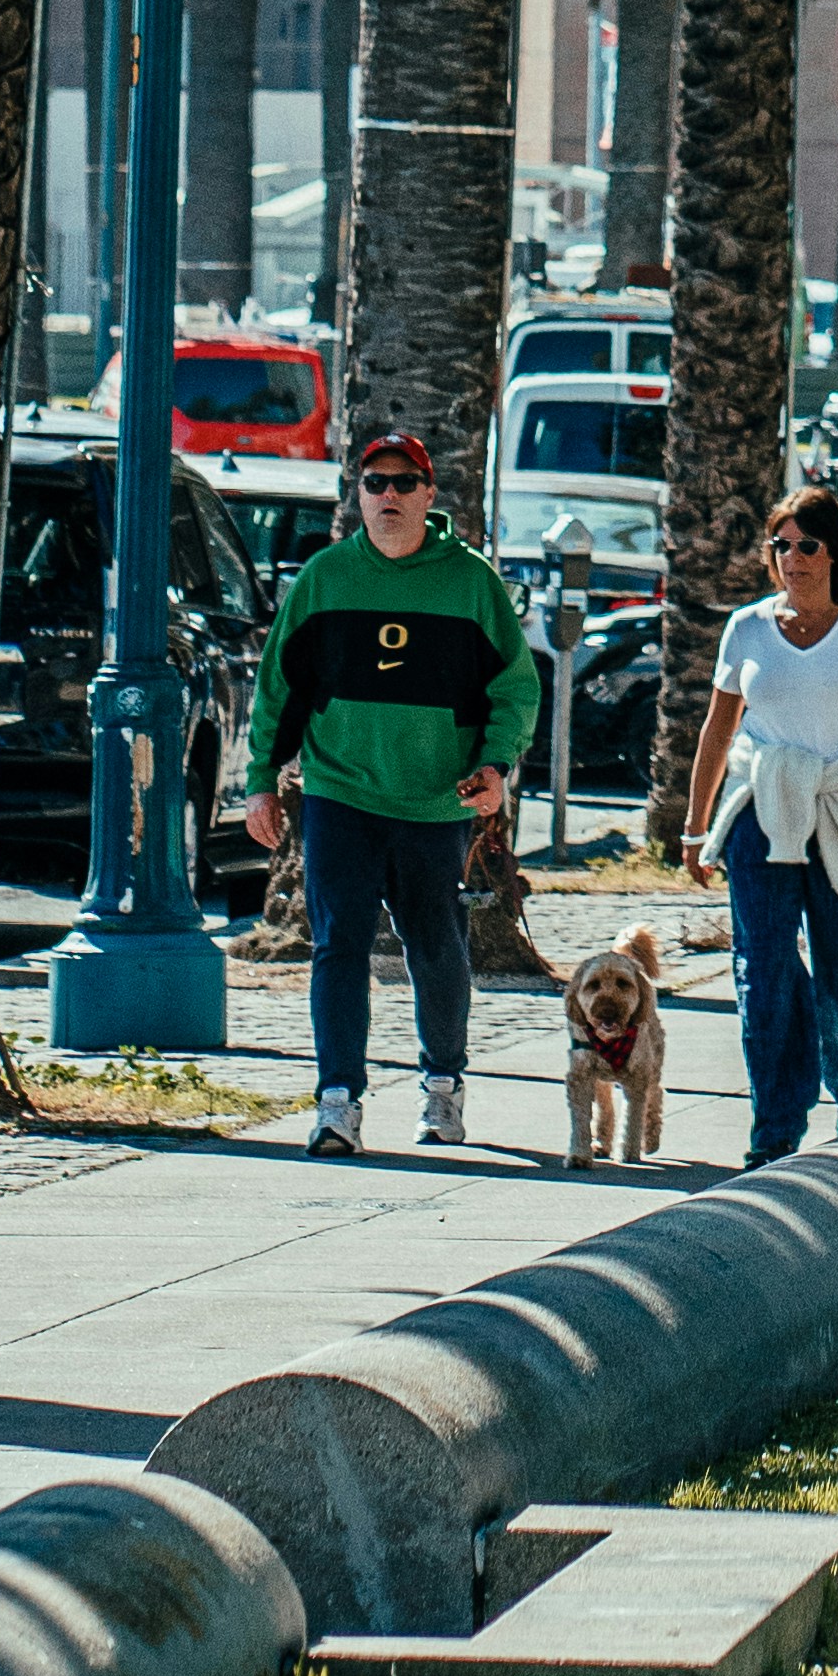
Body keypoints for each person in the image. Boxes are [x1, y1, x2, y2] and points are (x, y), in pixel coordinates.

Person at [241, 426, 538, 1161]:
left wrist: (495, 766)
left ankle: (443, 1084)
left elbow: (516, 687)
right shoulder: (324, 578)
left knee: (436, 944)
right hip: (341, 794)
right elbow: (278, 688)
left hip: (436, 802)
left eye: (405, 482)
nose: (390, 496)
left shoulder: (471, 581)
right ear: (358, 496)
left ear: (430, 495)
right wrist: (260, 784)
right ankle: (337, 1101)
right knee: (337, 944)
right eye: (376, 483)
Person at [677, 485, 838, 1162]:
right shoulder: (747, 628)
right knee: (763, 972)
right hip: (762, 815)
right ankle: (774, 1130)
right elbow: (717, 734)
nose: (792, 557)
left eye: (806, 545)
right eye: (781, 545)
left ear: (833, 551)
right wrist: (695, 829)